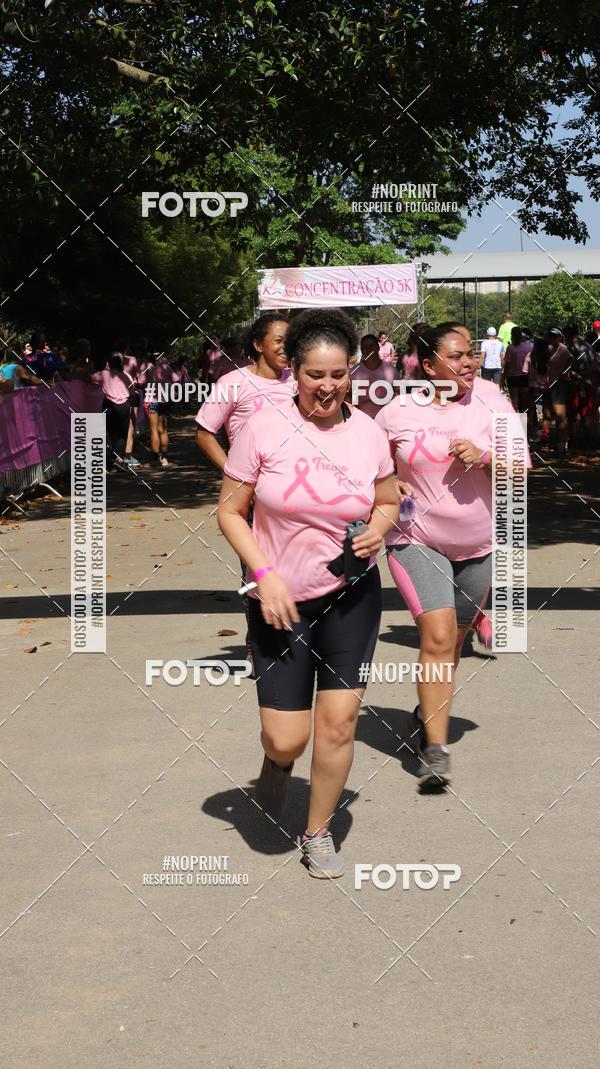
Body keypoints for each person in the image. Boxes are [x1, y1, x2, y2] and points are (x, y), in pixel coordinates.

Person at [217, 309, 399, 879]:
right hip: (280, 602)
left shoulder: (368, 433)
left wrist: (379, 528)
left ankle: (317, 832)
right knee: (286, 738)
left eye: (338, 374)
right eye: (315, 374)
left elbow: (389, 499)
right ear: (292, 370)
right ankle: (277, 762)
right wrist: (263, 573)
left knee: (339, 722)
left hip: (352, 594)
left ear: (352, 372)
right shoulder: (262, 428)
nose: (327, 386)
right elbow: (230, 512)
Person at [376, 322, 529, 789]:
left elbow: (521, 471)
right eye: (457, 356)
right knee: (439, 637)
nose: (469, 363)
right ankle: (436, 750)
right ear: (429, 365)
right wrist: (389, 484)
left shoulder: (493, 401)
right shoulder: (397, 410)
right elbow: (367, 464)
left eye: (471, 355)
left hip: (480, 546)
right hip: (415, 538)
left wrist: (484, 457)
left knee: (454, 643)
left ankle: (425, 714)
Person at [195, 313, 293, 471]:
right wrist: (233, 473)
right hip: (249, 482)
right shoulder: (231, 382)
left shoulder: (299, 380)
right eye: (278, 340)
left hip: (295, 479)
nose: (286, 347)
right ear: (258, 345)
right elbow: (204, 434)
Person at [92, 353, 137, 471]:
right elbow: (132, 393)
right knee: (122, 434)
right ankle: (119, 459)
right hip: (124, 406)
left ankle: (111, 459)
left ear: (110, 363)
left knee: (111, 433)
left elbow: (90, 379)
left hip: (109, 405)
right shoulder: (127, 376)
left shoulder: (104, 374)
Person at [138, 354, 179, 466]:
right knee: (163, 430)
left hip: (150, 401)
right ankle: (164, 458)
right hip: (164, 401)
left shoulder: (145, 366)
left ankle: (155, 459)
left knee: (153, 430)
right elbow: (176, 380)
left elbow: (140, 383)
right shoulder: (165, 366)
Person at [350, 333, 401, 418]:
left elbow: (399, 395)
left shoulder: (391, 371)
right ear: (361, 350)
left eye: (372, 346)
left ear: (378, 347)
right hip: (360, 420)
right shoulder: (353, 373)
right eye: (365, 347)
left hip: (386, 420)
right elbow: (348, 399)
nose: (369, 349)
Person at [546, 328, 573, 455]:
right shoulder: (551, 349)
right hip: (552, 384)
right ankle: (559, 443)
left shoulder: (563, 349)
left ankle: (563, 445)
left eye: (554, 336)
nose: (552, 338)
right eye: (550, 336)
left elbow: (571, 360)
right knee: (556, 415)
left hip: (561, 384)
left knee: (560, 414)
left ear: (560, 337)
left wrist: (564, 373)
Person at [501, 326, 531, 413]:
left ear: (512, 336)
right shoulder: (527, 347)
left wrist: (503, 379)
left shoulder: (510, 348)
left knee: (514, 400)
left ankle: (514, 418)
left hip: (512, 377)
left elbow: (507, 365)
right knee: (524, 400)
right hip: (524, 377)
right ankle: (524, 419)